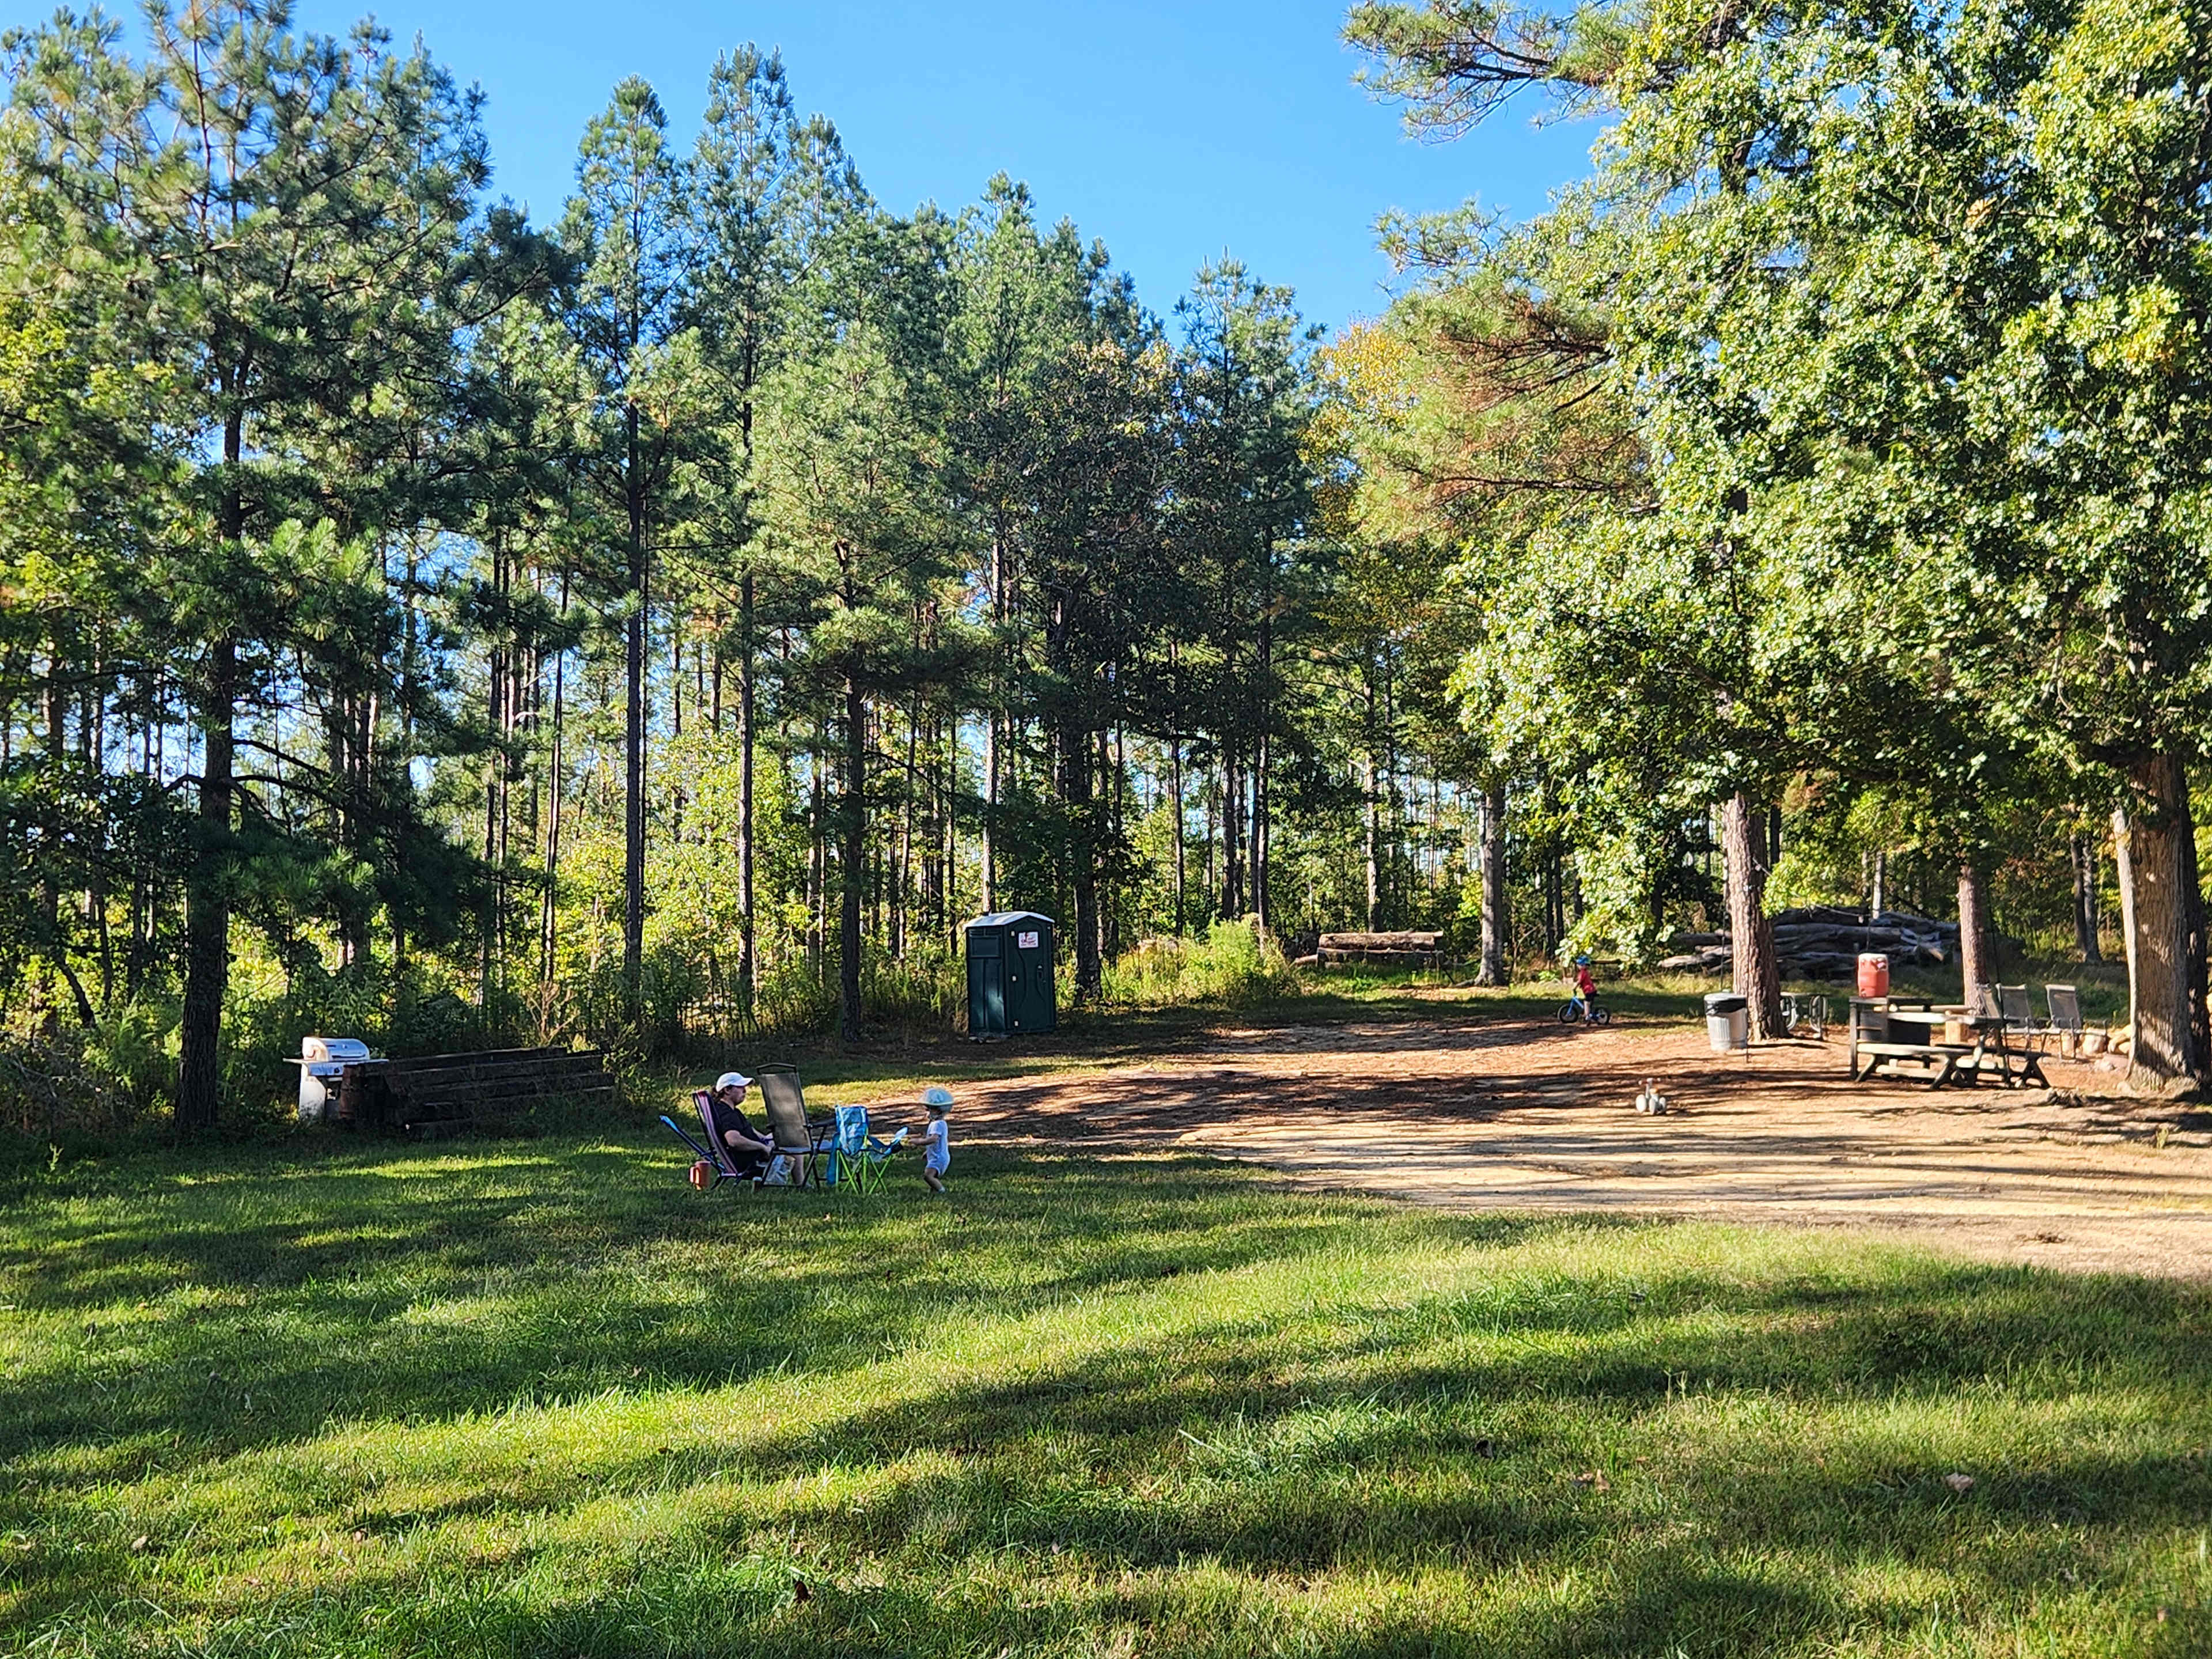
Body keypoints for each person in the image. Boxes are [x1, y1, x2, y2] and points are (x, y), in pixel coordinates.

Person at [698, 1071, 774, 1180]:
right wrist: (762, 1147)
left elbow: (752, 1131)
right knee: (792, 1142)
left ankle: (800, 1183)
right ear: (727, 1090)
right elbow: (734, 1141)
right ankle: (799, 1183)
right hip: (751, 1161)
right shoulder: (726, 1114)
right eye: (740, 1087)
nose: (745, 1091)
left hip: (753, 1153)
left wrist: (766, 1139)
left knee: (786, 1138)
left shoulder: (731, 1111)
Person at [919, 1085, 952, 1194]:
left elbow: (933, 1139)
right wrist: (928, 1152)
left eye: (929, 1110)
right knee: (931, 1176)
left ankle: (942, 1191)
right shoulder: (938, 1123)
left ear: (938, 1111)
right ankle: (935, 1193)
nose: (927, 1113)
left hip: (939, 1158)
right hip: (937, 1156)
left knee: (928, 1176)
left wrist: (919, 1142)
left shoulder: (938, 1124)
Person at [1571, 956, 1600, 1024]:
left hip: (1589, 991)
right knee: (1589, 1004)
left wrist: (1575, 987)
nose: (1579, 966)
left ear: (1583, 966)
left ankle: (1587, 1017)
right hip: (1592, 990)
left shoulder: (1582, 973)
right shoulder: (1586, 972)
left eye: (1580, 965)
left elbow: (1579, 981)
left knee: (1586, 1003)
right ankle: (1589, 1014)